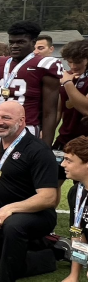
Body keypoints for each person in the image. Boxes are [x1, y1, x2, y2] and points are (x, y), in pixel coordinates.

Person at [0, 100, 59, 282]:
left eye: (6, 118)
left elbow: (49, 197)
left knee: (13, 228)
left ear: (22, 121)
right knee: (5, 259)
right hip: (1, 217)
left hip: (37, 215)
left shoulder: (38, 149)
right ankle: (49, 255)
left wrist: (10, 209)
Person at [0, 21, 62, 147]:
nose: (14, 46)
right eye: (12, 42)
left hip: (26, 127)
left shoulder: (44, 65)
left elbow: (50, 111)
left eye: (20, 42)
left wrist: (46, 147)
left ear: (33, 42)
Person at [55, 136, 88, 282]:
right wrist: (74, 275)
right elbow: (79, 236)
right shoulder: (76, 192)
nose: (62, 163)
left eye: (69, 160)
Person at [54, 40, 88, 190]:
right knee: (51, 182)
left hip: (85, 141)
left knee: (82, 186)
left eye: (78, 62)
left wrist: (68, 83)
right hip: (65, 138)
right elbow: (59, 110)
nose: (73, 66)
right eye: (70, 62)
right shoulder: (70, 76)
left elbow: (86, 109)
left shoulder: (68, 79)